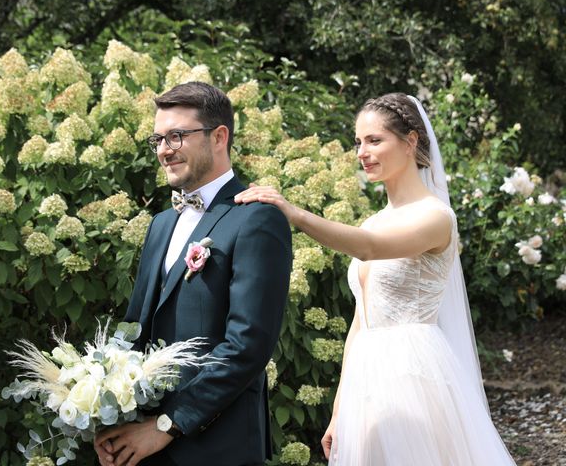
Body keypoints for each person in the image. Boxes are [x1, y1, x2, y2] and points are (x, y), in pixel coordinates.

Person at [235, 93, 516, 465]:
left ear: (410, 141)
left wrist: (295, 214)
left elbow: (369, 248)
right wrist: (339, 411)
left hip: (413, 374)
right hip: (366, 381)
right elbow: (360, 323)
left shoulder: (435, 216)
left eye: (374, 140)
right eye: (358, 142)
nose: (361, 152)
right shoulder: (374, 220)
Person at [94, 81, 292, 466]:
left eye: (177, 136)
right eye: (158, 139)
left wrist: (168, 425)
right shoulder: (161, 224)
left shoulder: (256, 219)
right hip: (141, 444)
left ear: (219, 137)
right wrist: (104, 408)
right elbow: (136, 328)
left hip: (216, 445)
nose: (164, 150)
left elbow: (247, 346)